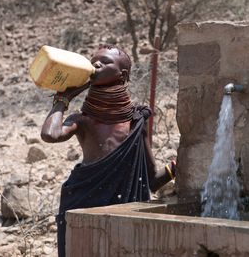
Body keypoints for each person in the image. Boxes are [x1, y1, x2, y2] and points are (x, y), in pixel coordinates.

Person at [40, 44, 176, 257]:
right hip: (81, 203)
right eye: (94, 60)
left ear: (122, 75)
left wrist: (176, 167)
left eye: (105, 61)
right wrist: (63, 99)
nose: (96, 64)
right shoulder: (82, 120)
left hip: (123, 215)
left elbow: (150, 183)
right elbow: (50, 135)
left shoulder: (135, 123)